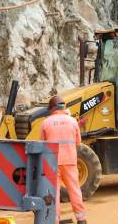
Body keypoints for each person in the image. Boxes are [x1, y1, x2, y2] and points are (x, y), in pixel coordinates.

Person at [40, 95, 86, 224]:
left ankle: (55, 220)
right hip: (70, 161)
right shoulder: (72, 121)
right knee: (75, 190)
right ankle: (81, 219)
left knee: (54, 193)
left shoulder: (45, 123)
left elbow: (42, 144)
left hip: (53, 162)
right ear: (63, 107)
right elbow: (78, 142)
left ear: (52, 109)